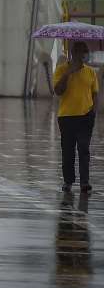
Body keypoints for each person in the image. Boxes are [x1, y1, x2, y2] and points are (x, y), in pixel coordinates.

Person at [53, 41, 98, 194]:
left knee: (84, 149)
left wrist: (94, 111)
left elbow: (95, 93)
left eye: (84, 53)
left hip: (86, 117)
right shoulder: (61, 70)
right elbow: (58, 91)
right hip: (67, 117)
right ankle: (68, 181)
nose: (82, 56)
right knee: (68, 152)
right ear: (73, 53)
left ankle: (85, 182)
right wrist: (68, 73)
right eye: (80, 52)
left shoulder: (90, 72)